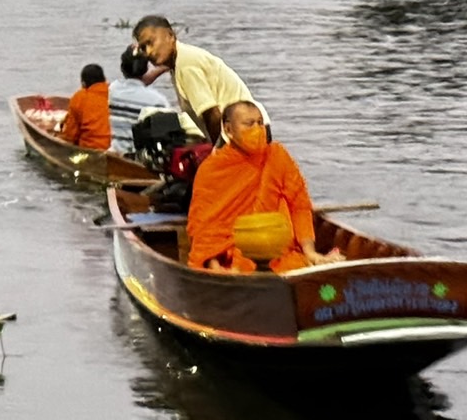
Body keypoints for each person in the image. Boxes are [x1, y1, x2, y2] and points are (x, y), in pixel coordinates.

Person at [185, 101, 342, 273]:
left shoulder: (276, 156)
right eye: (249, 124)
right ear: (229, 130)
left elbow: (300, 206)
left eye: (260, 123)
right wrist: (215, 267)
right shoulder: (211, 169)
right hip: (230, 256)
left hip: (277, 252)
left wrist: (310, 253)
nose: (257, 129)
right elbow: (203, 226)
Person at [131, 15, 258, 146]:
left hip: (246, 135)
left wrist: (219, 156)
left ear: (170, 35)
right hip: (245, 131)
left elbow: (212, 115)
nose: (149, 52)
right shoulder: (179, 61)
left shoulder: (186, 65)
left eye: (151, 43)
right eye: (143, 48)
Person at [109, 47, 181, 151]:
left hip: (115, 153)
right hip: (141, 158)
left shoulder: (112, 90)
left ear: (122, 68)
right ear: (146, 68)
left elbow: (135, 83)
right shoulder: (158, 101)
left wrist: (161, 68)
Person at [58, 63, 112, 151]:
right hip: (115, 149)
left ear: (83, 84)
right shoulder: (115, 93)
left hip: (89, 150)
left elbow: (70, 136)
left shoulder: (80, 97)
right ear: (104, 80)